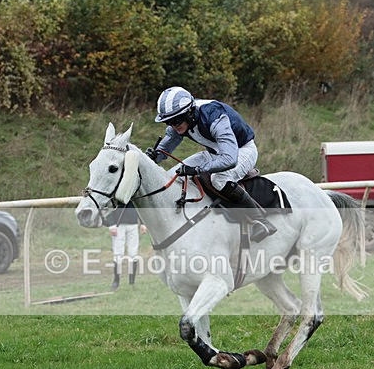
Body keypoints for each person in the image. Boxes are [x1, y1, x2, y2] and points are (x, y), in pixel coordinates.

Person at [146, 86, 277, 242]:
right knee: (172, 175)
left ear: (189, 112)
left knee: (218, 179)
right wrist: (153, 157)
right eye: (168, 122)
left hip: (242, 150)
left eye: (176, 120)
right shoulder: (182, 118)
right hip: (215, 153)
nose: (173, 125)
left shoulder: (214, 117)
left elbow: (229, 159)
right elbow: (167, 146)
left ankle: (260, 220)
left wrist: (197, 170)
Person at [106, 201, 146, 290]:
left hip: (133, 223)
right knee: (118, 253)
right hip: (118, 224)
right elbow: (108, 206)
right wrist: (111, 224)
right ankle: (116, 280)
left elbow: (138, 204)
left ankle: (132, 282)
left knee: (133, 253)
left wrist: (142, 223)